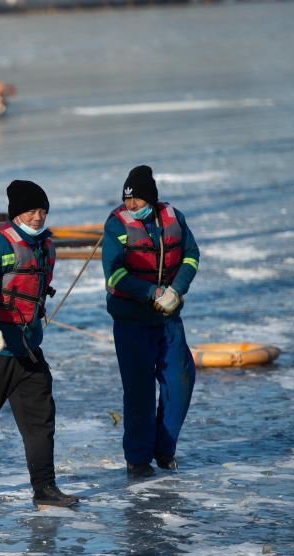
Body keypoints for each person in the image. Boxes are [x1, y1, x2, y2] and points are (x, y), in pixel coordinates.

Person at [0, 180, 78, 507]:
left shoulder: (44, 246)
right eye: (31, 211)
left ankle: (45, 488)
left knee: (40, 419)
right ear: (16, 213)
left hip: (28, 348)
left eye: (42, 211)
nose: (38, 217)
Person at [102, 165, 200, 477]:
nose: (131, 206)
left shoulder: (174, 217)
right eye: (127, 200)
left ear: (152, 200)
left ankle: (165, 449)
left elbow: (191, 255)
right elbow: (114, 274)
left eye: (138, 201)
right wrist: (152, 292)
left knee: (180, 383)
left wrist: (176, 290)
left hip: (168, 318)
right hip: (131, 320)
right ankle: (138, 458)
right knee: (139, 390)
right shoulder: (116, 224)